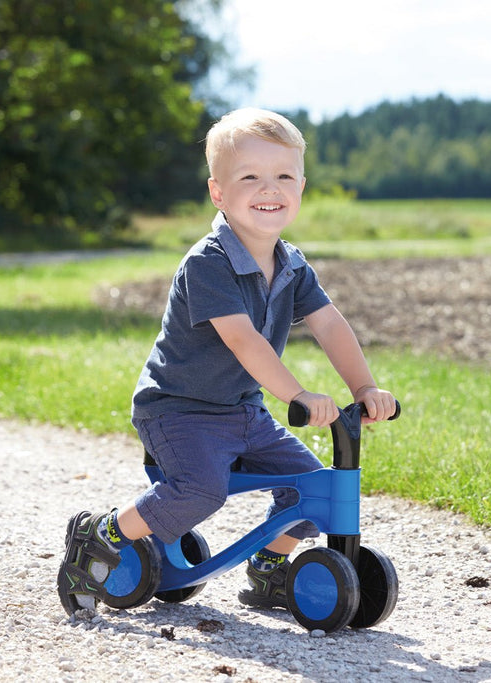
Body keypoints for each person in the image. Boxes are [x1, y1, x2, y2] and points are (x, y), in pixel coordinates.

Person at [58, 107, 396, 614]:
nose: (270, 189)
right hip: (178, 410)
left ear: (301, 188)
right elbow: (243, 341)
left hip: (242, 411)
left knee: (312, 492)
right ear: (219, 192)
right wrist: (298, 395)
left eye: (284, 176)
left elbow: (329, 323)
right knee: (200, 490)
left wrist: (364, 387)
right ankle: (102, 535)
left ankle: (268, 570)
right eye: (250, 177)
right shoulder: (209, 262)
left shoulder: (292, 264)